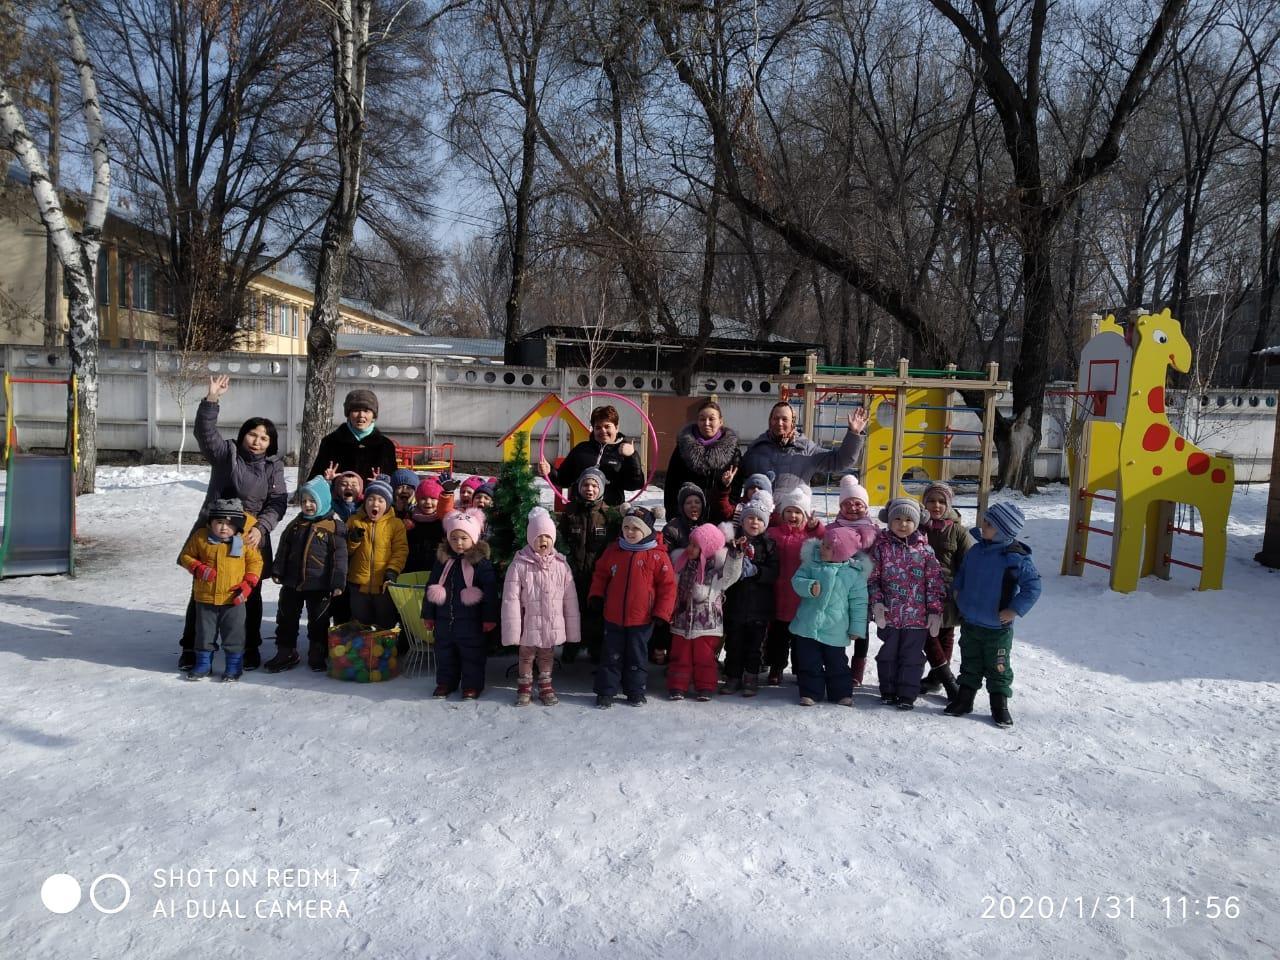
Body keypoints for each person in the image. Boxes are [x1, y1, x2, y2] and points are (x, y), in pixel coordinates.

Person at [179, 376, 287, 672]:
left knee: (247, 592)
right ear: (243, 435)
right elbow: (205, 434)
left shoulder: (272, 467)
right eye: (253, 434)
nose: (257, 440)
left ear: (270, 443)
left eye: (264, 437)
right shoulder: (227, 454)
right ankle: (193, 647)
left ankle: (248, 647)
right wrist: (211, 400)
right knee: (203, 589)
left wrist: (261, 527)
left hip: (248, 537)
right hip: (212, 532)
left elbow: (277, 502)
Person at [946, 502, 1042, 728]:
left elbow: (1033, 587)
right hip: (971, 622)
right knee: (970, 663)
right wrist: (958, 590)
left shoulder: (1015, 558)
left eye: (989, 524)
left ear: (1004, 530)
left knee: (998, 667)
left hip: (997, 627)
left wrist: (1015, 609)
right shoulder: (976, 550)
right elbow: (963, 573)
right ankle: (964, 699)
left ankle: (999, 706)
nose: (983, 525)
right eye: (985, 521)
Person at [588, 506, 676, 708]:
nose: (629, 532)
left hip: (642, 618)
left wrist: (662, 613)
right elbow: (601, 574)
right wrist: (597, 595)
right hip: (614, 615)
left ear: (645, 530)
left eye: (635, 528)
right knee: (611, 655)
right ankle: (606, 691)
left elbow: (668, 586)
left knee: (637, 655)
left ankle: (635, 691)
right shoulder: (614, 550)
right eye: (626, 527)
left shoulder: (657, 555)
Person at [867, 498, 946, 710]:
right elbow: (873, 579)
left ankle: (907, 694)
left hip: (917, 619)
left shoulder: (925, 551)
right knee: (888, 654)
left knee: (912, 657)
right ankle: (888, 690)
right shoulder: (881, 549)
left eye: (909, 520)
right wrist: (877, 604)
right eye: (898, 519)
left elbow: (934, 583)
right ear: (889, 521)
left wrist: (934, 612)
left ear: (917, 522)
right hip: (890, 615)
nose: (903, 524)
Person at [265, 476, 348, 673]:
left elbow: (340, 558)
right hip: (292, 583)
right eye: (304, 501)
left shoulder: (333, 527)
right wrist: (278, 570)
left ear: (323, 502)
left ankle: (317, 650)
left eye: (313, 501)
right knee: (286, 617)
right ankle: (286, 650)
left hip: (319, 584)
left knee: (318, 620)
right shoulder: (296, 524)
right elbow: (284, 548)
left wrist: (337, 582)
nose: (308, 505)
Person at [177, 498, 263, 682]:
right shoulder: (200, 537)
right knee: (204, 633)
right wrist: (198, 568)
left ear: (238, 525)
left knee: (234, 633)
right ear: (210, 523)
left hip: (234, 599)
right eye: (219, 523)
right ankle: (203, 664)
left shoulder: (244, 541)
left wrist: (248, 584)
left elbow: (255, 562)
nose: (224, 528)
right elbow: (186, 556)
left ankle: (233, 666)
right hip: (205, 598)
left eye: (229, 524)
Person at [501, 508, 581, 706]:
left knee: (547, 655)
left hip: (552, 622)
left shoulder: (561, 565)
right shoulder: (519, 564)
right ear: (530, 538)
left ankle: (546, 685)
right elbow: (510, 600)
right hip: (529, 621)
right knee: (526, 656)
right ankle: (525, 687)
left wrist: (571, 630)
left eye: (547, 536)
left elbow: (570, 599)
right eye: (538, 537)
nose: (543, 540)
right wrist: (513, 631)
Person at [788, 526, 869, 707]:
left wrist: (857, 628)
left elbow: (859, 603)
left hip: (836, 628)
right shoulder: (811, 563)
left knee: (837, 663)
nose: (820, 548)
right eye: (822, 543)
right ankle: (810, 692)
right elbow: (796, 580)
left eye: (826, 547)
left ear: (840, 552)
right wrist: (808, 586)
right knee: (809, 662)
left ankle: (840, 692)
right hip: (808, 625)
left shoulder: (854, 574)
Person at [424, 509, 500, 700]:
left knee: (472, 656)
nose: (459, 543)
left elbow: (490, 593)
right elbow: (431, 586)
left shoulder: (481, 564)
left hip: (471, 623)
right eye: (454, 538)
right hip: (444, 621)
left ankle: (471, 685)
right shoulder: (442, 561)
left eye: (464, 538)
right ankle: (445, 683)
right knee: (445, 654)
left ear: (473, 538)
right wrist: (428, 614)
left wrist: (489, 618)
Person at [667, 522, 743, 702]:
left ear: (707, 549)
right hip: (682, 622)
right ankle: (677, 685)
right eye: (690, 543)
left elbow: (732, 575)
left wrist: (735, 555)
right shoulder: (680, 563)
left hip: (707, 623)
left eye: (695, 545)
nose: (690, 548)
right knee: (680, 656)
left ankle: (705, 686)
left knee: (705, 658)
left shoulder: (716, 570)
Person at [737, 401, 869, 499]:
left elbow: (841, 460)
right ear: (770, 420)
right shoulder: (757, 448)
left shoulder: (806, 449)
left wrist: (854, 434)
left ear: (793, 422)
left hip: (792, 517)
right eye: (775, 418)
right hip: (761, 518)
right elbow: (739, 476)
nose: (779, 423)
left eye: (785, 419)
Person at [918, 482, 974, 701]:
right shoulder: (917, 526)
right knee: (927, 635)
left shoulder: (958, 531)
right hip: (921, 592)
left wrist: (961, 589)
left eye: (941, 502)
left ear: (949, 504)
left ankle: (936, 678)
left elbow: (968, 563)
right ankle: (947, 678)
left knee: (945, 635)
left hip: (948, 593)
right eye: (931, 500)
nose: (936, 506)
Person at [557, 468, 618, 664]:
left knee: (596, 612)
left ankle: (596, 648)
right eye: (585, 485)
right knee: (573, 611)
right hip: (573, 572)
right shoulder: (570, 512)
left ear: (600, 489)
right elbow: (561, 538)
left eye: (594, 486)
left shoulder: (608, 515)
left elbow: (614, 544)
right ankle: (571, 646)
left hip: (598, 574)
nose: (589, 489)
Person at [765, 484, 824, 685]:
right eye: (789, 511)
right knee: (778, 638)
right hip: (777, 595)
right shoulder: (773, 534)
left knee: (801, 639)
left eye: (798, 512)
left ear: (806, 516)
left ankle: (801, 669)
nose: (792, 515)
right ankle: (776, 667)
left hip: (801, 599)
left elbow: (826, 540)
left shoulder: (810, 538)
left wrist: (816, 527)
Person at [722, 494, 778, 696]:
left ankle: (751, 676)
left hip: (759, 607)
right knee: (734, 643)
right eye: (750, 518)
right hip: (735, 604)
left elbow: (774, 572)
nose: (755, 522)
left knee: (755, 646)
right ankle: (732, 676)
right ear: (743, 520)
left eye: (759, 519)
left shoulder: (769, 545)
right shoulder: (733, 542)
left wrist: (758, 571)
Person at [537, 404, 645, 507]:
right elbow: (563, 479)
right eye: (598, 427)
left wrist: (632, 456)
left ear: (616, 427)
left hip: (611, 513)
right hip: (579, 513)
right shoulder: (581, 449)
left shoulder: (624, 452)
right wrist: (549, 471)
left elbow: (635, 485)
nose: (603, 431)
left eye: (607, 426)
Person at [829, 474, 880, 686]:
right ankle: (837, 665)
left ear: (866, 507)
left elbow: (880, 557)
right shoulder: (832, 529)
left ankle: (857, 669)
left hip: (863, 588)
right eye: (847, 504)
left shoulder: (874, 531)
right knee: (837, 626)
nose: (852, 508)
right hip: (838, 588)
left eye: (858, 504)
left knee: (862, 629)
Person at [345, 478, 408, 629]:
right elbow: (344, 551)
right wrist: (353, 540)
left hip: (384, 586)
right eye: (371, 499)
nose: (375, 504)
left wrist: (393, 570)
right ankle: (364, 650)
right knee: (361, 623)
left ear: (387, 504)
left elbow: (401, 550)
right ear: (365, 502)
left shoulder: (395, 524)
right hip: (358, 584)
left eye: (380, 500)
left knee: (385, 622)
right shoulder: (354, 521)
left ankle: (385, 650)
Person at [664, 399, 740, 523]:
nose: (706, 423)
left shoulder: (733, 451)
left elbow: (736, 488)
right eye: (702, 419)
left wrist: (730, 516)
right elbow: (671, 485)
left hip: (719, 519)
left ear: (720, 421)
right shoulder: (683, 448)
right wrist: (673, 516)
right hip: (687, 518)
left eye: (712, 419)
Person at [308, 388, 398, 483]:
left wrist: (382, 484)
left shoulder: (385, 446)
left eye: (366, 411)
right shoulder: (331, 442)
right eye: (356, 410)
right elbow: (315, 483)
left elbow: (393, 484)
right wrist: (327, 481)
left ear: (374, 416)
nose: (361, 415)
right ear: (348, 414)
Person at [404, 476, 456, 573]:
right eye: (423, 498)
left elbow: (446, 510)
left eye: (433, 498)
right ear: (417, 500)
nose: (428, 502)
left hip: (437, 570)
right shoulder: (411, 519)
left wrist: (447, 495)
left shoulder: (443, 520)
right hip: (413, 570)